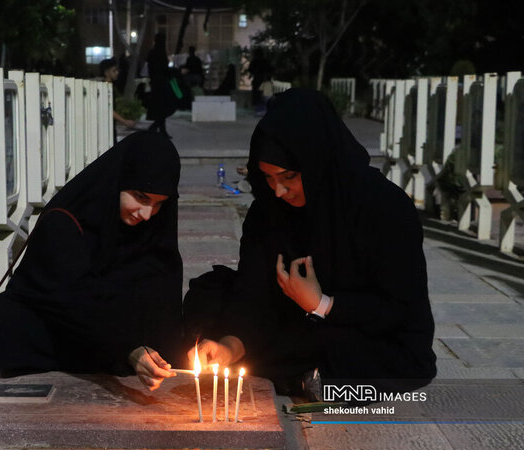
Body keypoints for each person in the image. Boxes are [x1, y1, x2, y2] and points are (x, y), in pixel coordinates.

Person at [183, 89, 436, 399]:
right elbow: (254, 291)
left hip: (361, 328)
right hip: (291, 321)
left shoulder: (384, 207)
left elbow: (400, 308)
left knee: (357, 352)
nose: (278, 191)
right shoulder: (269, 209)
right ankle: (299, 373)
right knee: (209, 295)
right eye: (268, 178)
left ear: (316, 161)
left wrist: (321, 304)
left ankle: (308, 375)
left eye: (288, 177)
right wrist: (230, 346)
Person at [0, 132, 184, 391]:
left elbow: (164, 291)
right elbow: (72, 301)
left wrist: (165, 349)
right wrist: (128, 347)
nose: (146, 214)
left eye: (158, 204)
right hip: (64, 317)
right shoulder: (65, 221)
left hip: (113, 326)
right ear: (117, 182)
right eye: (140, 197)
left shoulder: (153, 225)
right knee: (8, 321)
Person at [100, 57, 136, 143]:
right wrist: (125, 122)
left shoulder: (107, 86)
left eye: (117, 70)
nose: (117, 73)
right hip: (106, 126)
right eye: (114, 71)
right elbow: (108, 109)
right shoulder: (105, 87)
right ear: (106, 72)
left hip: (109, 125)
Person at [146, 32, 175, 138]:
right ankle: (154, 128)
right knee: (163, 108)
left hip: (155, 84)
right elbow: (165, 70)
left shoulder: (152, 53)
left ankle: (160, 130)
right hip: (162, 85)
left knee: (160, 109)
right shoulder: (161, 53)